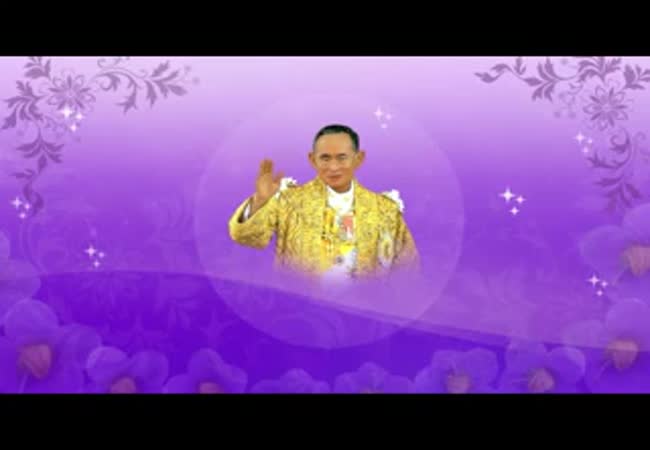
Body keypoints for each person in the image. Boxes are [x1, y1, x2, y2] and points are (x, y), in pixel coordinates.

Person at [228, 124, 419, 282]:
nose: (333, 167)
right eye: (325, 158)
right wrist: (260, 201)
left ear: (358, 158)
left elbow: (407, 269)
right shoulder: (290, 201)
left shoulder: (385, 209)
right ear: (312, 160)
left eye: (342, 158)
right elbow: (247, 237)